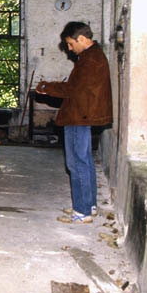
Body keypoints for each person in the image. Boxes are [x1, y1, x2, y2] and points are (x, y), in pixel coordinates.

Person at [35, 21, 112, 223]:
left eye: (70, 44)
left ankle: (82, 211)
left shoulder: (90, 60)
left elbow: (73, 90)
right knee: (84, 161)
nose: (70, 49)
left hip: (80, 116)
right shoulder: (92, 56)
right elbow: (78, 87)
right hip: (82, 114)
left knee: (76, 163)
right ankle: (89, 206)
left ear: (82, 39)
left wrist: (46, 87)